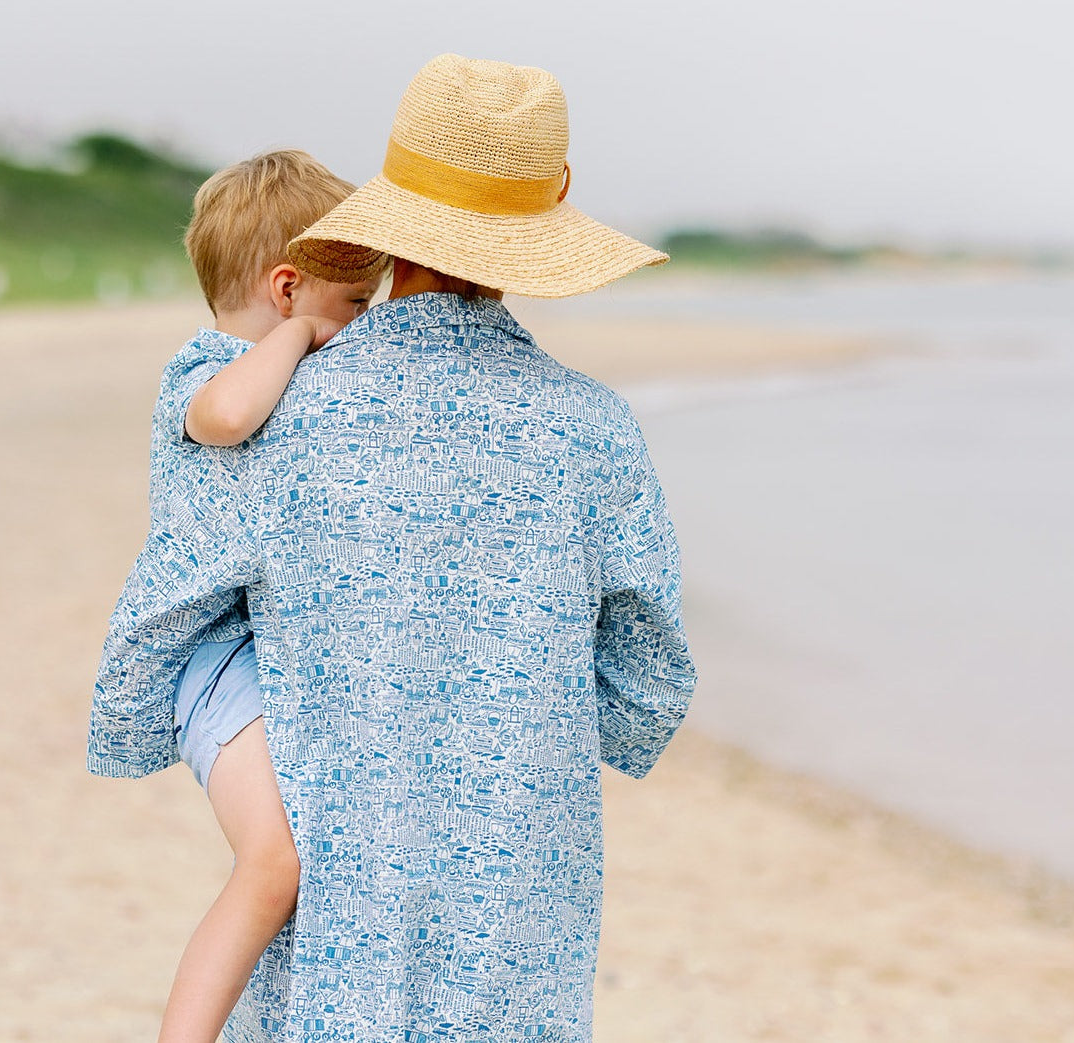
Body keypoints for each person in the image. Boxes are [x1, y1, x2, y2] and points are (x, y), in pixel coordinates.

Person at [94, 54, 696, 1042]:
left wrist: (143, 716)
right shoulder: (594, 430)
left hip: (340, 849)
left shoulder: (283, 407)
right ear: (545, 220)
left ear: (394, 210)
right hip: (515, 859)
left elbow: (178, 588)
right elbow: (648, 676)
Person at [86, 149, 386, 1043]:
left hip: (253, 653)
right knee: (274, 863)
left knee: (298, 865)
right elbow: (222, 419)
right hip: (210, 659)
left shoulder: (276, 370)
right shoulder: (206, 370)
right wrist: (297, 336)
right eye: (354, 309)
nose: (359, 331)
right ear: (285, 287)